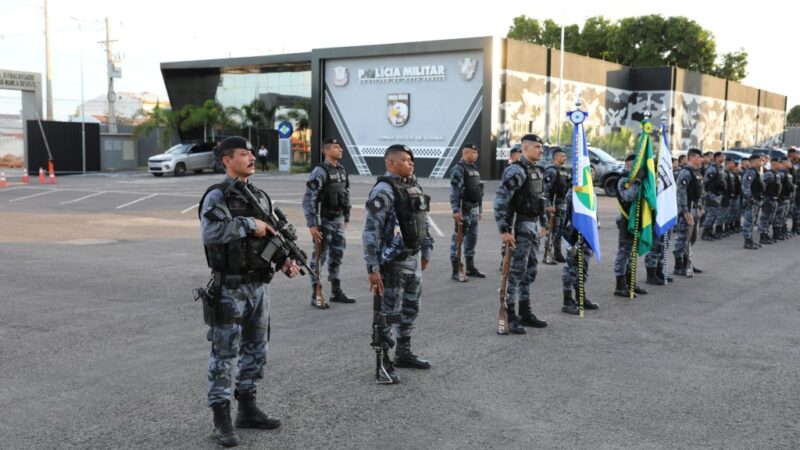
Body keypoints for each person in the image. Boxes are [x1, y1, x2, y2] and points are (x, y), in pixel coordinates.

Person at [198, 136, 300, 447]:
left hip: (259, 286)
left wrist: (283, 260)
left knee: (257, 349)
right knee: (224, 354)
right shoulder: (218, 196)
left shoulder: (260, 196)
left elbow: (270, 236)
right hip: (230, 287)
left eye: (253, 152)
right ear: (227, 160)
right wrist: (246, 224)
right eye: (244, 154)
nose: (252, 157)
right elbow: (211, 232)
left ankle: (247, 408)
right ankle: (221, 419)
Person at [362, 144, 434, 383]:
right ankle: (382, 364)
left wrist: (426, 250)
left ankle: (403, 353)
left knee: (411, 309)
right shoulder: (384, 190)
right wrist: (373, 268)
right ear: (390, 163)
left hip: (412, 259)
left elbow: (423, 220)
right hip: (392, 263)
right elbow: (371, 231)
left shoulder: (413, 186)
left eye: (411, 159)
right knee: (387, 315)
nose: (410, 162)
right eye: (404, 159)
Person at [494, 134, 551, 334]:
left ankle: (525, 312)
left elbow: (540, 199)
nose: (541, 150)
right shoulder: (516, 171)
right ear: (524, 148)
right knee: (515, 273)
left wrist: (543, 223)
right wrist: (504, 230)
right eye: (537, 147)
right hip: (520, 226)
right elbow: (501, 199)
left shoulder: (537, 171)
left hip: (534, 226)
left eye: (541, 147)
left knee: (530, 271)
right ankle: (510, 315)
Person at [302, 137, 355, 307]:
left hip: (338, 220)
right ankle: (315, 293)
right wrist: (312, 224)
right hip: (323, 220)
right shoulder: (320, 171)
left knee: (337, 255)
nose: (340, 149)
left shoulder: (342, 170)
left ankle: (336, 291)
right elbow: (309, 198)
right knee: (319, 258)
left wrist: (346, 216)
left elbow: (345, 194)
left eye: (340, 146)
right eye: (335, 147)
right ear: (326, 151)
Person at [613, 154, 650, 296]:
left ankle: (630, 283)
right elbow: (628, 197)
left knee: (631, 254)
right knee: (624, 253)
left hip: (637, 220)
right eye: (636, 165)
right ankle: (620, 285)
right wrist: (637, 182)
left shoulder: (636, 179)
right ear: (629, 165)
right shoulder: (623, 179)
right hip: (626, 220)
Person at [449, 143, 485, 281]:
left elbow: (478, 190)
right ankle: (456, 270)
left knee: (472, 240)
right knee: (458, 241)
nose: (476, 155)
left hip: (474, 209)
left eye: (477, 153)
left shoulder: (474, 168)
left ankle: (470, 268)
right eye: (473, 153)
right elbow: (454, 191)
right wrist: (456, 210)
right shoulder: (458, 169)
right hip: (463, 210)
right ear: (465, 153)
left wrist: (480, 209)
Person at [560, 193, 599, 314]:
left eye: (592, 172)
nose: (592, 173)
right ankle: (567, 301)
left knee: (583, 267)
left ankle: (580, 298)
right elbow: (566, 217)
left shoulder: (589, 189)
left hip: (587, 234)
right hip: (574, 236)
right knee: (571, 269)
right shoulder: (573, 192)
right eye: (589, 171)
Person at [672, 148, 705, 275]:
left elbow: (699, 192)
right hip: (688, 209)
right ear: (691, 157)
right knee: (682, 237)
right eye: (699, 157)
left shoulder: (697, 172)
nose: (701, 159)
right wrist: (685, 212)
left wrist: (701, 206)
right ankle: (678, 265)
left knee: (692, 237)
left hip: (695, 208)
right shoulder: (685, 172)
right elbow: (681, 193)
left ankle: (688, 262)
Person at [543, 147, 571, 263]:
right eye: (562, 156)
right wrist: (548, 205)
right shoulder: (552, 171)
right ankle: (547, 255)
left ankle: (558, 253)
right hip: (554, 205)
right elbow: (545, 190)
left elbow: (568, 185)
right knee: (553, 231)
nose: (564, 158)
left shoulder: (565, 171)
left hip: (563, 205)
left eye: (565, 156)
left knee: (560, 231)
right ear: (556, 157)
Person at [701, 152, 727, 241]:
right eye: (721, 156)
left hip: (718, 194)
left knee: (715, 214)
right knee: (711, 214)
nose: (723, 158)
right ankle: (705, 233)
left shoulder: (720, 168)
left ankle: (710, 232)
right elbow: (706, 181)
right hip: (712, 194)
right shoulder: (712, 168)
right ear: (717, 158)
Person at [741, 154, 764, 249]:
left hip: (755, 200)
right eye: (759, 161)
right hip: (751, 200)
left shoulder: (755, 172)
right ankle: (747, 241)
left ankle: (750, 239)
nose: (761, 163)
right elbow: (745, 186)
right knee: (748, 221)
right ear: (754, 161)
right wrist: (750, 198)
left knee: (752, 221)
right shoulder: (750, 172)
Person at [759, 157, 781, 244]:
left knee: (770, 218)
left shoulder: (776, 174)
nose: (780, 165)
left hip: (774, 199)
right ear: (774, 164)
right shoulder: (769, 174)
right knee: (765, 218)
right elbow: (762, 185)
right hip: (768, 199)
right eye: (779, 163)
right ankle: (763, 236)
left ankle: (766, 233)